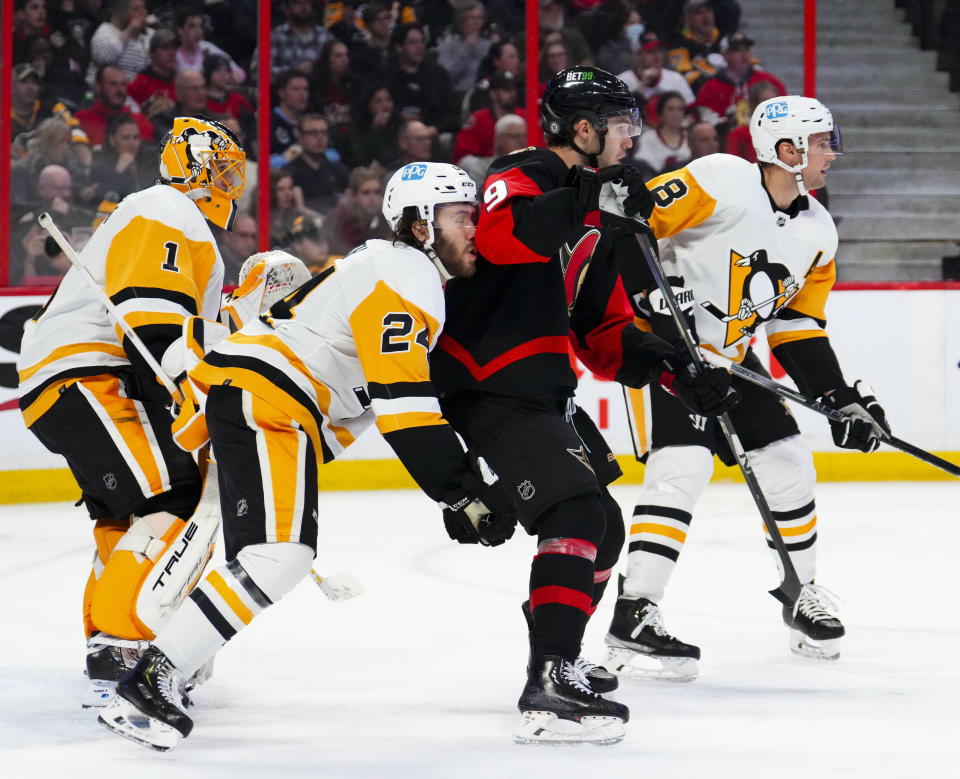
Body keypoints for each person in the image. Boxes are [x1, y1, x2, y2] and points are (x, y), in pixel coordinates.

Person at [97, 162, 521, 751]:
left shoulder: (395, 273)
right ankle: (150, 679)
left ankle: (161, 667)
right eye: (460, 216)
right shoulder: (405, 274)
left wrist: (458, 486)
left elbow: (383, 404)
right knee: (280, 555)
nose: (474, 229)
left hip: (263, 402)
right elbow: (405, 411)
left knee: (272, 555)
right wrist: (463, 490)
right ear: (421, 225)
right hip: (267, 401)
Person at [430, 66, 734, 744]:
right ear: (584, 129)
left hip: (543, 386)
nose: (635, 135)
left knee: (605, 526)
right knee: (574, 510)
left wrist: (676, 369)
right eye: (622, 123)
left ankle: (555, 639)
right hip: (487, 377)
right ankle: (551, 672)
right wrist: (593, 193)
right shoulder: (523, 170)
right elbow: (506, 237)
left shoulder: (606, 212)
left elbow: (603, 331)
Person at [604, 96, 890, 681]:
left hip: (729, 359)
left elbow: (796, 328)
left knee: (788, 460)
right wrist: (654, 307)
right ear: (786, 151)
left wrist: (840, 399)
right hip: (659, 351)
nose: (830, 153)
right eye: (820, 142)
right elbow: (628, 227)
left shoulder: (817, 230)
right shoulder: (720, 178)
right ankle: (635, 612)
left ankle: (800, 592)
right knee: (682, 467)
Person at [17, 117, 246, 707]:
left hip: (67, 381)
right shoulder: (167, 210)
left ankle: (108, 641)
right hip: (91, 375)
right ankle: (123, 645)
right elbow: (152, 321)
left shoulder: (169, 216)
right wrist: (187, 403)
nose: (229, 183)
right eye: (220, 169)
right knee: (174, 496)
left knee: (127, 513)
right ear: (190, 166)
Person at [694, 32, 786, 137]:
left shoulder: (769, 81)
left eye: (746, 49)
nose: (744, 54)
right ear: (725, 55)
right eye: (736, 50)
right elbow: (708, 121)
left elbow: (785, 114)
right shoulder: (710, 88)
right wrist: (729, 122)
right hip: (726, 143)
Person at [452, 71, 526, 164]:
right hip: (485, 171)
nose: (513, 93)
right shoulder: (478, 118)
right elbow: (462, 156)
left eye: (514, 89)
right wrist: (486, 166)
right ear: (493, 94)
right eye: (507, 89)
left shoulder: (526, 116)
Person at [282, 114, 350, 213]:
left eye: (324, 132)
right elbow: (298, 209)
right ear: (300, 138)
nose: (320, 137)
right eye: (313, 133)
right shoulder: (290, 173)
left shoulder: (339, 169)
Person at [75, 65, 156, 146]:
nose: (119, 89)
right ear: (98, 87)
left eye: (123, 84)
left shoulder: (141, 122)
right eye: (113, 84)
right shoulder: (81, 120)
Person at [86, 0, 152, 84]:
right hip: (103, 89)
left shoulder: (150, 35)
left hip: (135, 91)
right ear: (123, 13)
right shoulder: (106, 30)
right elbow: (103, 58)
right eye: (136, 9)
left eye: (143, 8)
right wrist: (129, 30)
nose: (142, 13)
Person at [666, 0, 722, 94]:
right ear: (687, 19)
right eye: (698, 13)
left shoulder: (725, 40)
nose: (705, 16)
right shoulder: (679, 47)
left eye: (708, 11)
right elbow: (684, 75)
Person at [632, 91, 691, 175]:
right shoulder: (648, 137)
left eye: (680, 109)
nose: (676, 114)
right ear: (660, 113)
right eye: (670, 109)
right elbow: (642, 166)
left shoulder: (690, 136)